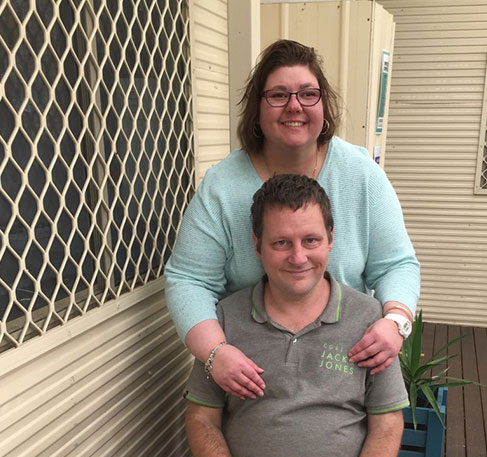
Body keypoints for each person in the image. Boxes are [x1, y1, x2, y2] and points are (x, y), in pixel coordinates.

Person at [165, 39, 419, 400]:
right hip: (253, 372)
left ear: (324, 105)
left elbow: (396, 263)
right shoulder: (222, 187)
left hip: (345, 364)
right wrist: (214, 353)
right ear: (257, 108)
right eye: (279, 95)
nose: (294, 106)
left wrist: (396, 321)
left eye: (308, 94)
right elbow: (188, 279)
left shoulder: (362, 175)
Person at [184, 174, 408, 457]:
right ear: (257, 245)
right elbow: (201, 418)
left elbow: (388, 423)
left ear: (331, 238)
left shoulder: (369, 320)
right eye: (281, 243)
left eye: (311, 241)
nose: (299, 257)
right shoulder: (223, 321)